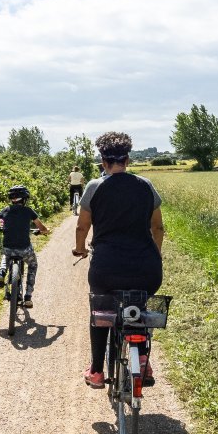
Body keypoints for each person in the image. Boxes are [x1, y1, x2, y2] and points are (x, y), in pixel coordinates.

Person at [72, 131, 164, 389]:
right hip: (146, 269)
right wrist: (155, 254)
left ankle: (96, 372)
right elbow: (158, 228)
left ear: (103, 161)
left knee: (101, 311)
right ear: (128, 160)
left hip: (106, 270)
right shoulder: (145, 186)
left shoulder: (94, 187)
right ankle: (143, 360)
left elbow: (82, 228)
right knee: (139, 306)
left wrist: (80, 249)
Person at [0, 185, 50, 308]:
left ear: (11, 199)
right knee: (32, 265)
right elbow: (42, 228)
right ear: (25, 199)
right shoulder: (29, 211)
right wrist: (45, 231)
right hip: (24, 249)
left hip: (8, 247)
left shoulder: (5, 210)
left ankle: (1, 273)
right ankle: (28, 297)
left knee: (6, 255)